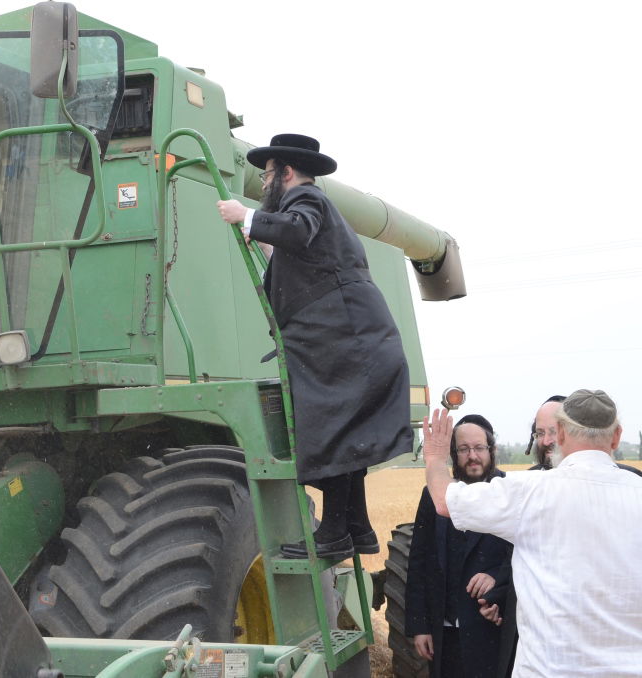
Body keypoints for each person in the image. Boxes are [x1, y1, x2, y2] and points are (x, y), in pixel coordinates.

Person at [215, 134, 412, 559]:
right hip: (352, 340)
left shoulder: (306, 199)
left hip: (344, 341)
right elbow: (305, 259)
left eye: (267, 174)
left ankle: (335, 533)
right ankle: (356, 526)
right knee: (345, 433)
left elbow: (298, 229)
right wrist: (265, 240)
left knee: (332, 430)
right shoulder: (315, 212)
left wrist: (246, 215)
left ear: (286, 173)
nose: (263, 183)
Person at [422, 390, 642, 677]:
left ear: (560, 433)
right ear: (616, 436)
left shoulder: (530, 491)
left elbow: (444, 501)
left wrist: (435, 458)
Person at [405, 414, 513, 678]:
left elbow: (525, 555)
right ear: (454, 454)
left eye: (479, 448)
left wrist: (496, 578)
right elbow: (419, 560)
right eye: (464, 449)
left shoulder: (508, 491)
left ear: (491, 450)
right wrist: (420, 626)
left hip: (490, 631)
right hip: (444, 635)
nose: (472, 456)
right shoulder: (433, 495)